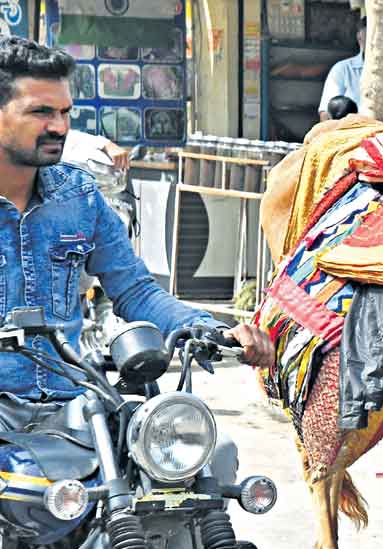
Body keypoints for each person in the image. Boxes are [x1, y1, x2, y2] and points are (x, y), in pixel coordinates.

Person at [0, 36, 274, 413]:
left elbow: (135, 290)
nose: (60, 127)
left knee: (205, 460)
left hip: (69, 409)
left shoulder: (78, 194)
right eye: (41, 112)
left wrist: (209, 328)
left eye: (65, 112)